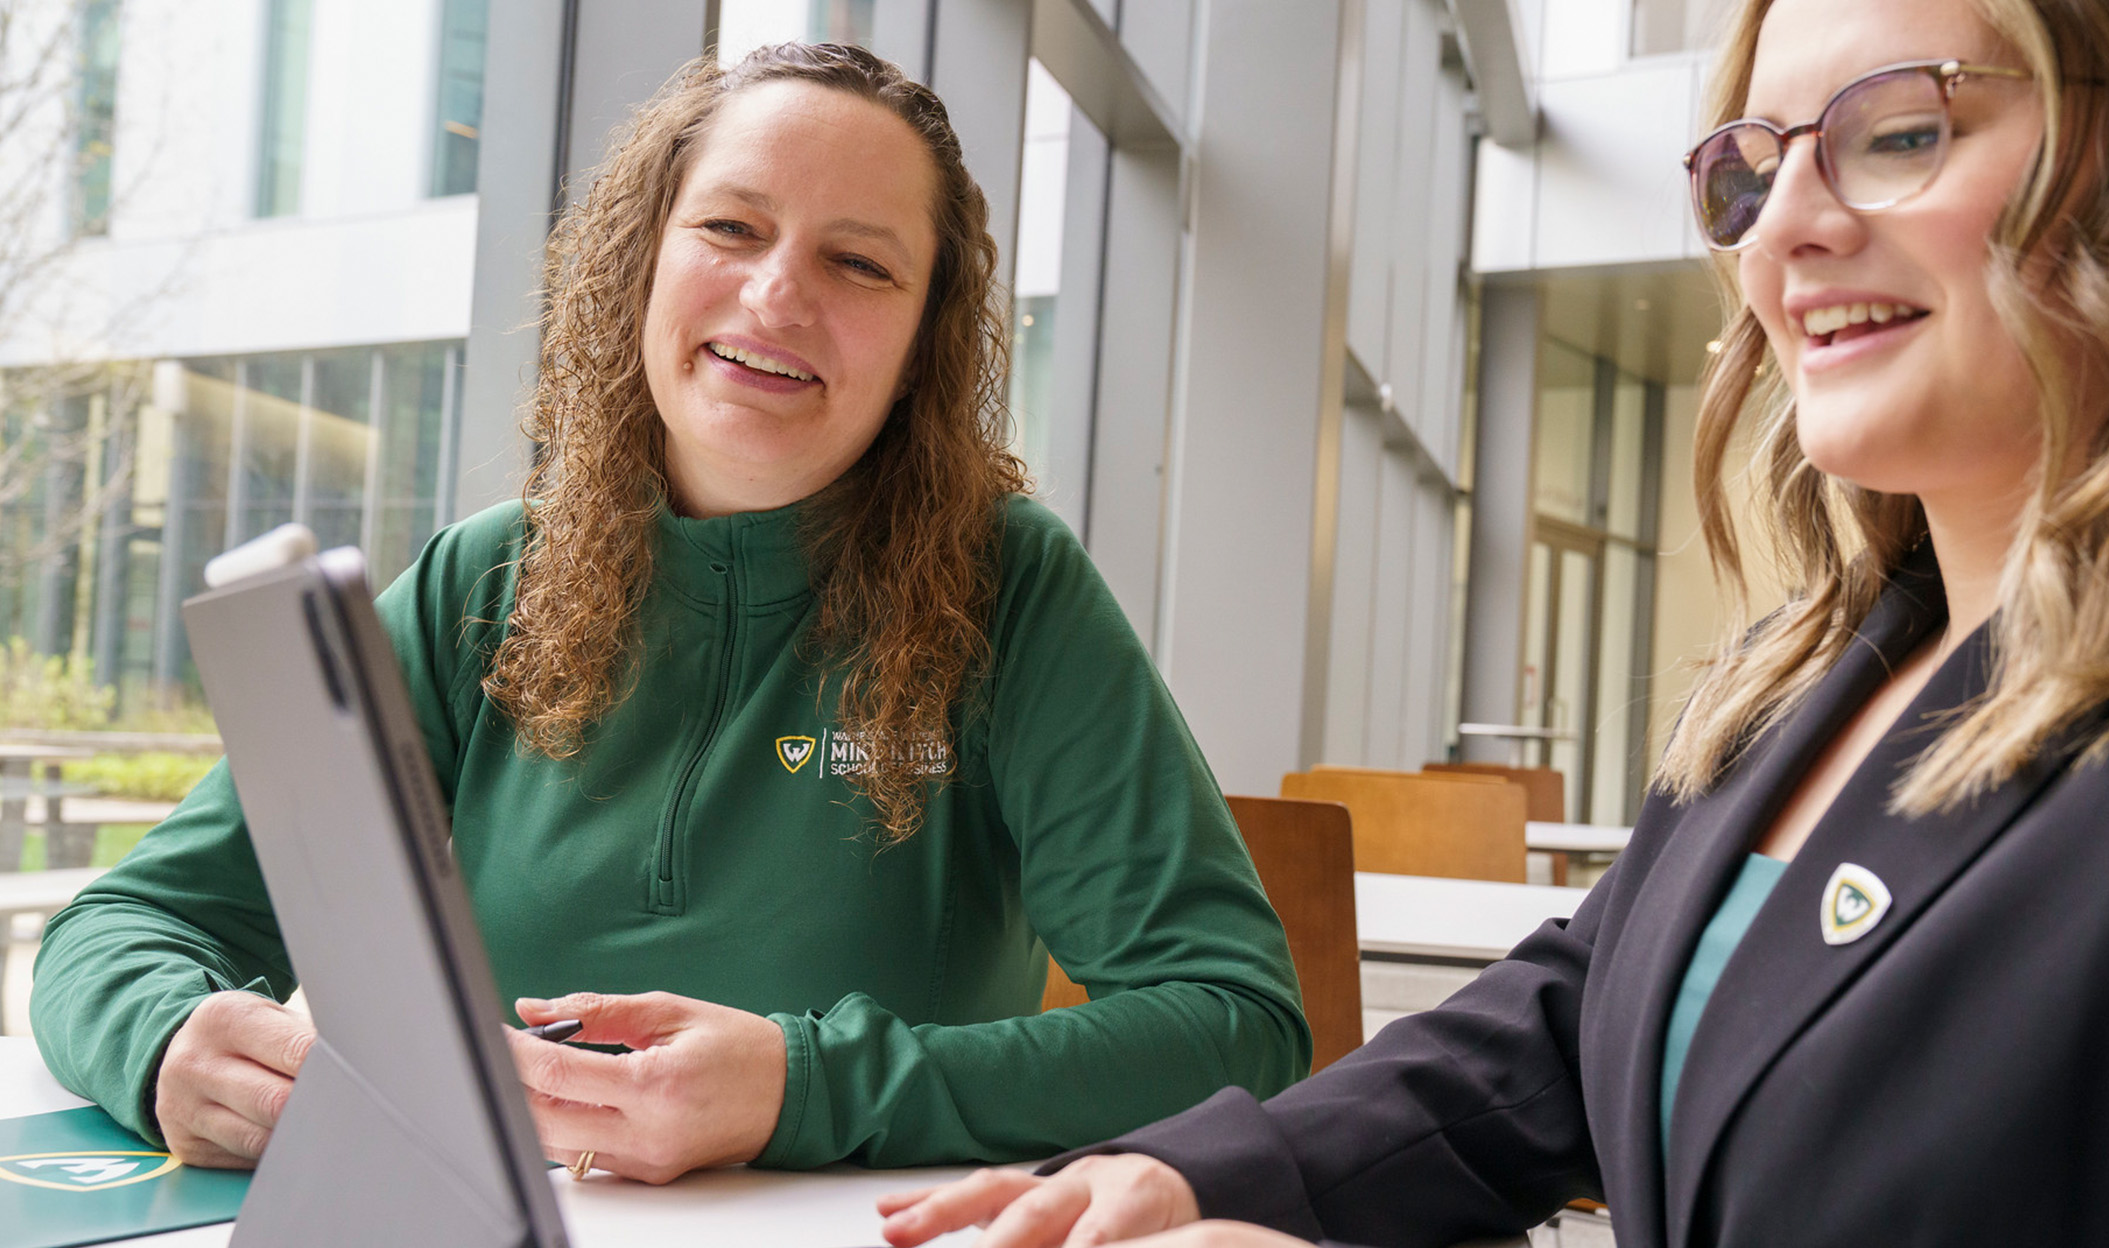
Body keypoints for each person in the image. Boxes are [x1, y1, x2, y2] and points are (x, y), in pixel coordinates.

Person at [878, 0, 2109, 1243]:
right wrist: (1210, 1175)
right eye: (1751, 168)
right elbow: (1571, 1030)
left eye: (1902, 133)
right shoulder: (1813, 674)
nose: (1781, 231)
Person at [31, 42, 1308, 1184]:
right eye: (731, 228)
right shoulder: (483, 584)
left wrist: (802, 1088)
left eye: (858, 262)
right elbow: (123, 925)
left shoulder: (1009, 590)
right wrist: (164, 1042)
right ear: (643, 258)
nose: (775, 298)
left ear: (925, 341)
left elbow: (1234, 1023)